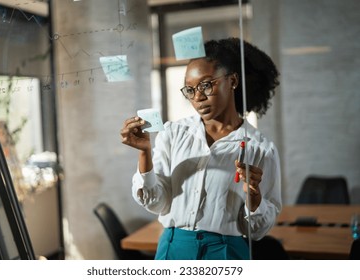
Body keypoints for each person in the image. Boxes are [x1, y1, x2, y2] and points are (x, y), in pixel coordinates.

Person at [120, 37, 281, 260]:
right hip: (173, 249)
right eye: (190, 89)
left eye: (206, 85)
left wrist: (255, 200)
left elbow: (258, 231)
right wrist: (144, 153)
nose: (198, 98)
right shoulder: (174, 133)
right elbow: (158, 202)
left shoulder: (261, 148)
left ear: (232, 81)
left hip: (227, 252)